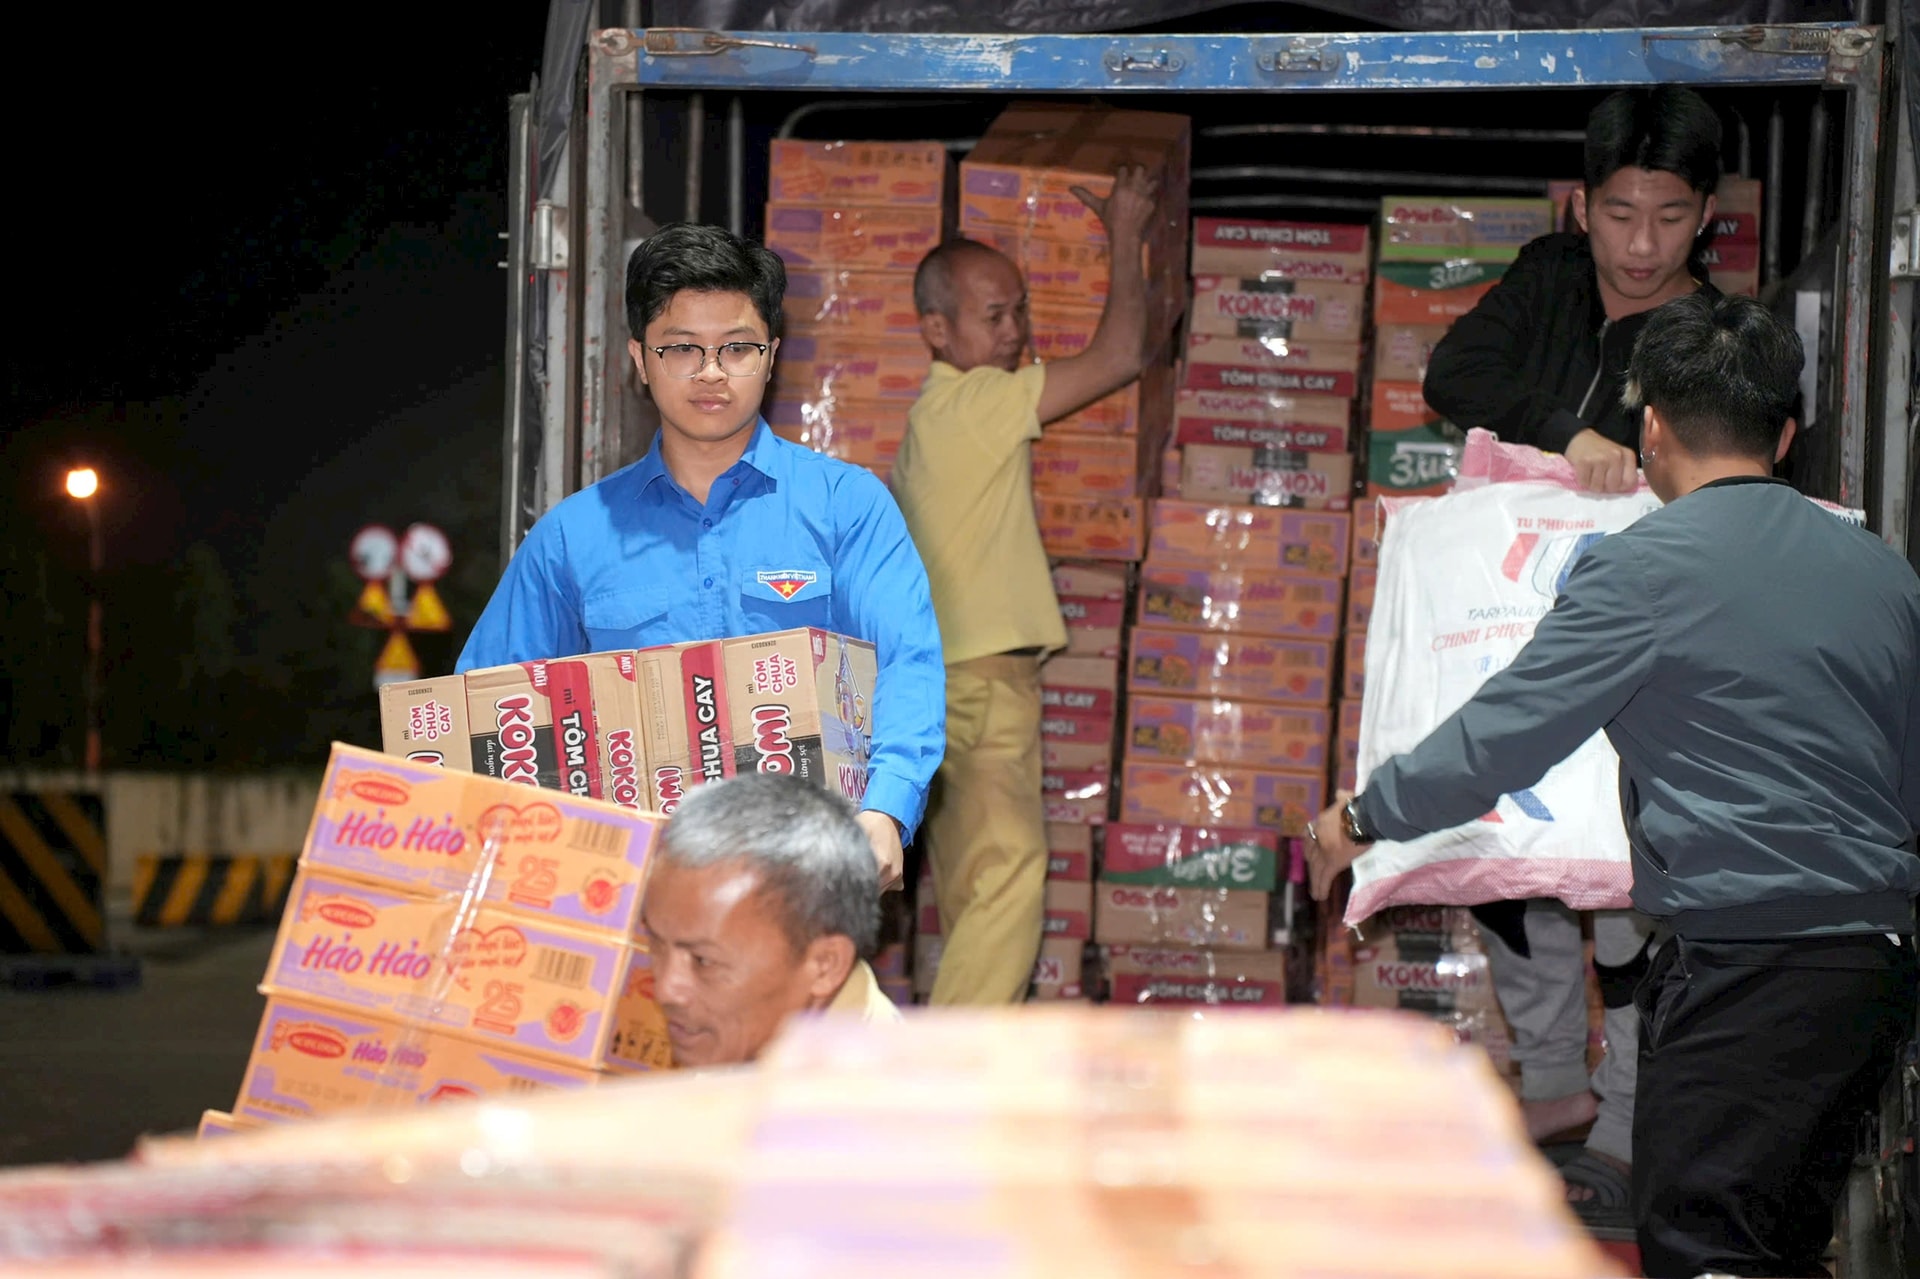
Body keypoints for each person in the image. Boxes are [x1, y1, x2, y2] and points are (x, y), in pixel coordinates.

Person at [1308, 292, 1920, 1279]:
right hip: (1869, 969)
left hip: (1747, 967)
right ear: (1785, 435)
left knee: (1708, 1249)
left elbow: (1502, 737)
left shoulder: (1643, 570)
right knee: (1778, 1244)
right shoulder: (1884, 576)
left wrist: (1363, 815)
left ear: (1652, 429)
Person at [1416, 84, 1727, 1221]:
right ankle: (1552, 1083)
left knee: (1623, 881)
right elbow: (1452, 376)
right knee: (1508, 847)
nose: (1642, 247)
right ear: (1581, 205)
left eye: (1670, 218)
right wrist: (1570, 431)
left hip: (1642, 647)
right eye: (1621, 215)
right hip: (1505, 628)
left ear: (1707, 215)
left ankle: (1628, 1118)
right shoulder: (1548, 277)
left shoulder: (1710, 333)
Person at [458, 222, 945, 890]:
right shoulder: (573, 535)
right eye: (682, 348)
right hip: (629, 888)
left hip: (809, 877)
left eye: (737, 347)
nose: (711, 371)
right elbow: (483, 705)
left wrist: (887, 807)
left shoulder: (847, 505)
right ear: (640, 359)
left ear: (771, 356)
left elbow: (907, 661)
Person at [888, 165, 1160, 1005]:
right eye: (994, 316)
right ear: (936, 330)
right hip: (978, 686)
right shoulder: (976, 404)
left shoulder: (937, 418)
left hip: (949, 680)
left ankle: (951, 1046)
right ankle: (958, 1063)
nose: (1016, 332)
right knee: (1010, 871)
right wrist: (1126, 231)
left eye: (1021, 311)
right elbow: (1122, 355)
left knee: (974, 882)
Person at [640, 772, 902, 1068]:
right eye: (655, 945)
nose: (665, 990)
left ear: (825, 965)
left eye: (704, 961)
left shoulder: (873, 1088)